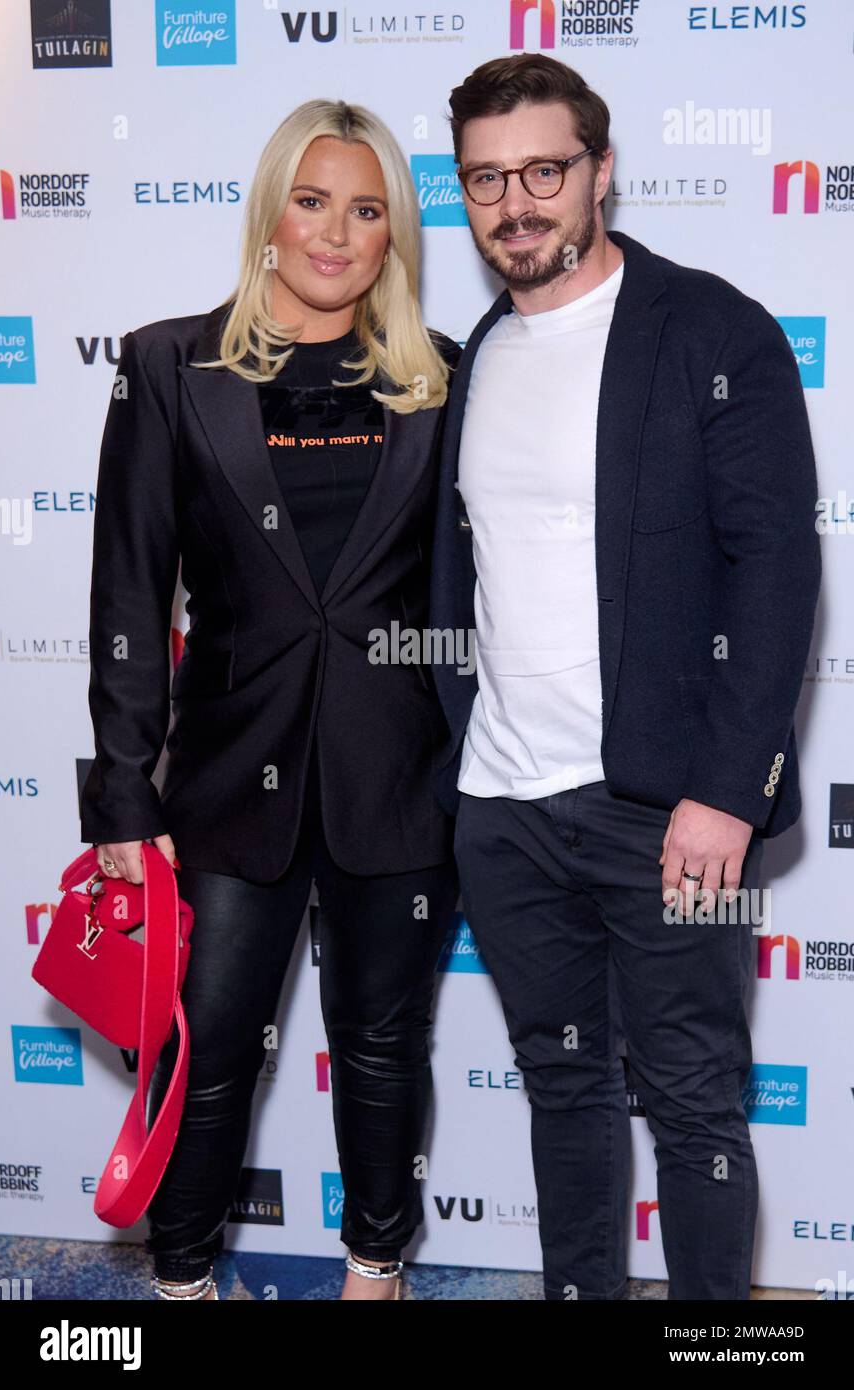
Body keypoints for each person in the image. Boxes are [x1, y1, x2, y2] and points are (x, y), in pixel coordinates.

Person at [430, 54, 821, 1301]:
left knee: (697, 1104)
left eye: (544, 170)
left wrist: (727, 790)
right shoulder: (474, 356)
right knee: (565, 1092)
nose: (517, 204)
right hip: (506, 810)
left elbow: (775, 571)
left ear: (602, 171)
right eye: (487, 179)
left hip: (669, 812)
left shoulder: (714, 329)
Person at [80, 98, 460, 1301]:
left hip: (396, 775)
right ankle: (182, 1282)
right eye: (313, 201)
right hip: (221, 785)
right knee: (201, 1057)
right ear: (269, 213)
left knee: (385, 1045)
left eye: (366, 210)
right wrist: (125, 804)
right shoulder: (166, 366)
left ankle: (375, 1270)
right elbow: (131, 594)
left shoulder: (439, 377)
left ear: (394, 231)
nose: (336, 234)